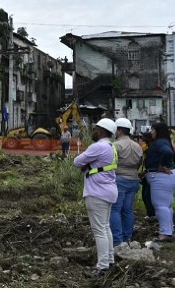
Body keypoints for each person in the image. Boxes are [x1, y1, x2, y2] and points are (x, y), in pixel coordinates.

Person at [73, 118, 118, 278]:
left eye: (95, 129)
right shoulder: (111, 147)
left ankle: (102, 266)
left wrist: (86, 165)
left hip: (97, 192)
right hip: (109, 191)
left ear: (102, 131)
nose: (93, 131)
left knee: (99, 230)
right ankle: (110, 260)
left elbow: (77, 161)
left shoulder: (97, 146)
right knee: (105, 227)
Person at [144, 122, 175, 242]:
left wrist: (161, 166)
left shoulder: (160, 142)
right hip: (169, 176)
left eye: (153, 130)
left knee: (160, 205)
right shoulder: (165, 141)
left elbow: (167, 153)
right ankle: (169, 230)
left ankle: (164, 233)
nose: (151, 132)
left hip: (162, 176)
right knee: (167, 205)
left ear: (157, 131)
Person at [109, 118, 143, 247]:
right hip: (133, 179)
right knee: (128, 210)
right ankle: (127, 237)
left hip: (119, 179)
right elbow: (139, 163)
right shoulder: (137, 146)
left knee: (115, 210)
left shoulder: (116, 145)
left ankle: (117, 240)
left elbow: (109, 161)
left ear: (119, 130)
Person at [139, 131, 156, 220]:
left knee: (148, 194)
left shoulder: (154, 148)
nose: (142, 138)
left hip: (153, 173)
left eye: (144, 136)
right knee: (144, 195)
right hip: (146, 172)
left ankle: (152, 213)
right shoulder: (145, 147)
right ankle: (150, 213)